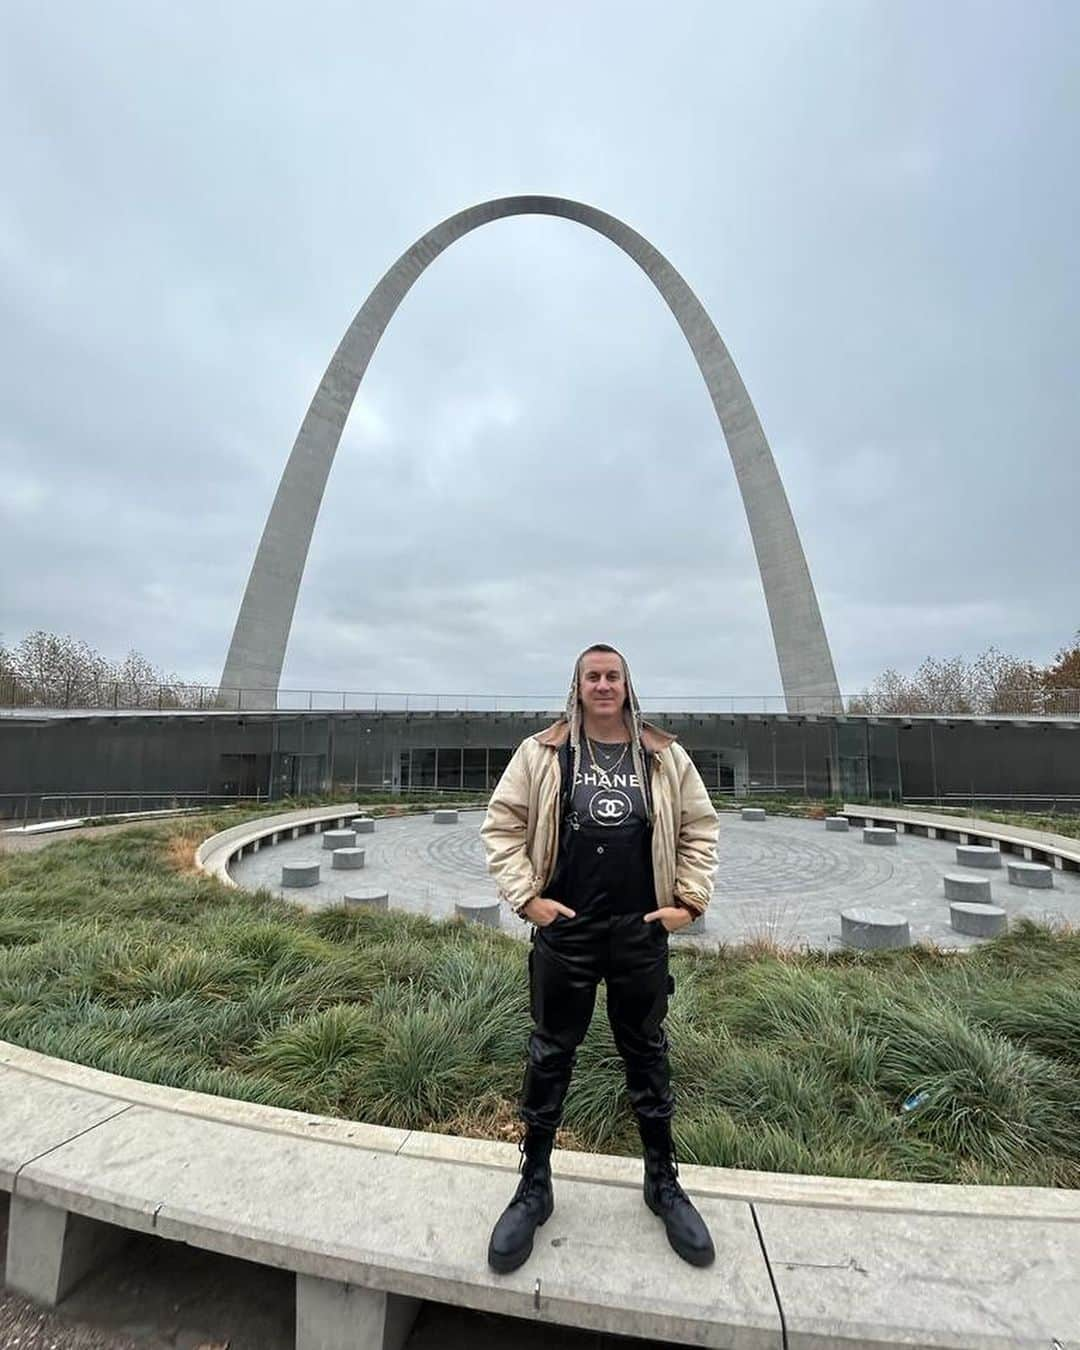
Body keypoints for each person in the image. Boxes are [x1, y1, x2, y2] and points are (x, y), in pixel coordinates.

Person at [479, 643, 719, 1274]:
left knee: (647, 1053)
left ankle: (663, 1182)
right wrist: (527, 898)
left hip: (640, 931)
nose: (604, 685)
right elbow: (501, 825)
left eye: (614, 676)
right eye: (594, 676)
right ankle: (533, 1185)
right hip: (568, 929)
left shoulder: (662, 755)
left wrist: (687, 904)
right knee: (550, 1052)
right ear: (578, 685)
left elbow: (700, 827)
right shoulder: (543, 752)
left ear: (627, 683)